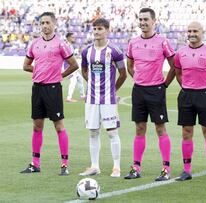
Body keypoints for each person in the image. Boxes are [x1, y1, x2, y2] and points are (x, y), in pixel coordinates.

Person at [21, 12, 79, 175]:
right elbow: (26, 65)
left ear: (54, 24)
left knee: (59, 126)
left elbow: (74, 65)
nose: (45, 26)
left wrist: (60, 75)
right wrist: (40, 69)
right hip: (37, 88)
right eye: (42, 23)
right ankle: (35, 163)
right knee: (37, 126)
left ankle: (64, 164)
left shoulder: (61, 44)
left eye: (47, 23)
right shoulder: (34, 44)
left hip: (53, 88)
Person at [125, 7, 176, 181]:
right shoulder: (133, 42)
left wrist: (165, 85)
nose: (143, 23)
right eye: (140, 19)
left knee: (160, 128)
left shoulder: (162, 41)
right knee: (139, 129)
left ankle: (166, 168)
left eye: (146, 19)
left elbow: (175, 66)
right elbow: (130, 66)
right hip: (138, 90)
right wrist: (138, 78)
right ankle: (136, 167)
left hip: (156, 90)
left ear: (154, 21)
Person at [173, 21, 206, 183]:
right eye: (189, 31)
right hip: (186, 96)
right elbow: (178, 74)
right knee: (186, 133)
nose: (192, 33)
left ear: (202, 32)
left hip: (204, 95)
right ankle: (186, 171)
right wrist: (188, 88)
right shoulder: (180, 53)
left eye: (195, 30)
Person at [79, 18, 127, 178]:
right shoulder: (86, 51)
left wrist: (113, 89)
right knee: (93, 132)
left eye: (100, 29)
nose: (97, 32)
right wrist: (92, 84)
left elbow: (123, 74)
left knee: (112, 132)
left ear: (107, 30)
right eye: (95, 29)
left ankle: (116, 167)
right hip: (91, 99)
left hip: (108, 99)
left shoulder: (115, 51)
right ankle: (94, 166)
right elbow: (84, 70)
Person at [63, 32, 85, 102]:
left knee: (80, 79)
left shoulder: (70, 46)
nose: (74, 38)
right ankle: (69, 98)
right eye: (72, 37)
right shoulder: (67, 46)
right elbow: (67, 57)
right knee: (73, 81)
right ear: (68, 38)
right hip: (69, 66)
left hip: (72, 66)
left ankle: (82, 96)